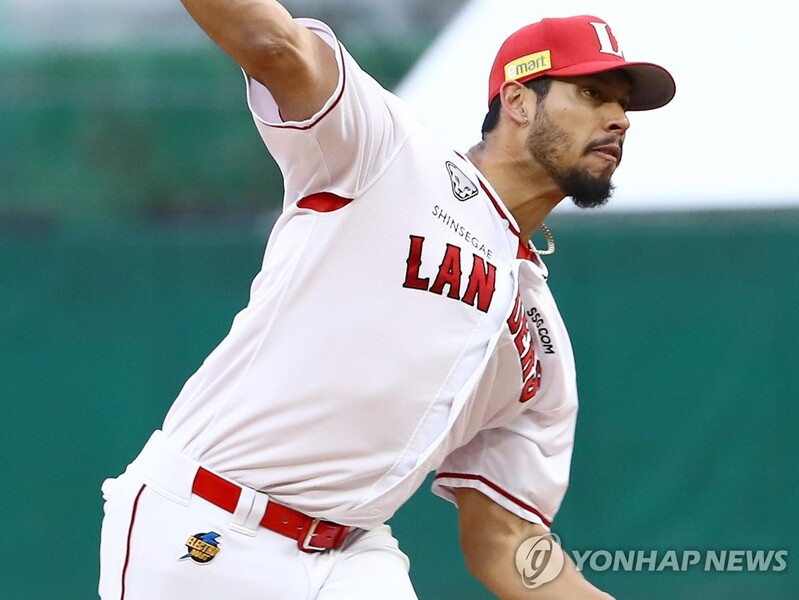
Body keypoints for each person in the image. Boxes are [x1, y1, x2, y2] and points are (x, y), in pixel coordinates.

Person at [98, 2, 674, 599]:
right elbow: (276, 45)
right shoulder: (392, 151)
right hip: (207, 523)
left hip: (353, 556)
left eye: (622, 105)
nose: (619, 119)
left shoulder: (541, 342)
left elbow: (507, 541)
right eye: (592, 93)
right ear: (519, 100)